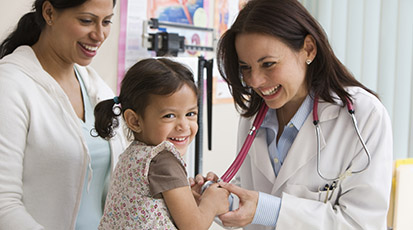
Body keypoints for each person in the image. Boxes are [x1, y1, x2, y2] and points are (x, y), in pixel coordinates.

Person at [191, 0, 393, 229]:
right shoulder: (254, 118)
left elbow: (361, 223)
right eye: (245, 67)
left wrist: (269, 210)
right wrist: (217, 200)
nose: (254, 81)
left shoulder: (362, 116)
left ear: (308, 49)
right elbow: (250, 197)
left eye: (268, 64)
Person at [0, 0, 126, 229]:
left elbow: (117, 189)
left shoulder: (96, 88)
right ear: (49, 13)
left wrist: (181, 197)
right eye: (86, 21)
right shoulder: (9, 85)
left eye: (106, 22)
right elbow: (3, 205)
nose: (99, 35)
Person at [95, 58, 229, 230]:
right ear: (134, 121)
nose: (183, 126)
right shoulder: (164, 160)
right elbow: (194, 226)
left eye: (191, 113)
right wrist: (212, 202)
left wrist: (189, 197)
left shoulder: (133, 155)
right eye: (169, 116)